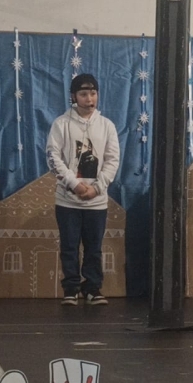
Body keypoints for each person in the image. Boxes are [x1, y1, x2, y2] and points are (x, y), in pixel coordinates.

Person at [46, 73, 121, 306]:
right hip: (67, 200)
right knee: (69, 246)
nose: (89, 99)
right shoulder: (61, 124)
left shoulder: (107, 125)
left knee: (93, 248)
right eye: (84, 94)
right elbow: (53, 157)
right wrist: (75, 184)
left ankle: (92, 288)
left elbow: (112, 160)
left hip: (96, 202)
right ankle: (71, 288)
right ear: (74, 96)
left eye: (93, 93)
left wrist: (96, 188)